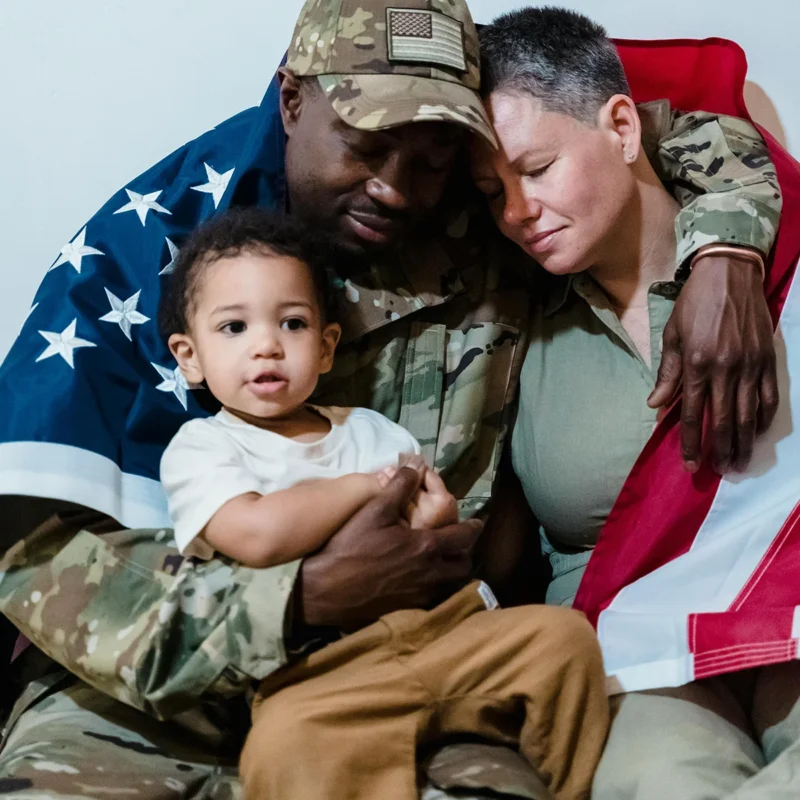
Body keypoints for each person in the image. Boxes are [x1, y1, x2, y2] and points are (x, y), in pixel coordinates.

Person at [0, 0, 783, 796]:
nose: (396, 187)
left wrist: (724, 248)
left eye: (433, 155)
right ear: (293, 98)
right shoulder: (155, 250)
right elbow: (34, 556)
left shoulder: (488, 212)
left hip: (421, 659)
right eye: (367, 143)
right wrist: (294, 601)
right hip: (152, 691)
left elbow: (682, 137)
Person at [158, 206, 607, 800]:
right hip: (318, 671)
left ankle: (568, 787)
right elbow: (257, 534)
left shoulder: (369, 430)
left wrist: (436, 519)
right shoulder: (205, 447)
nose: (266, 346)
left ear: (326, 346)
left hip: (441, 633)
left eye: (292, 324)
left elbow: (427, 527)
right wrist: (368, 489)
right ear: (189, 357)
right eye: (234, 328)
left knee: (563, 640)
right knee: (284, 742)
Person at [472, 7, 800, 799]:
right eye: (491, 191)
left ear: (621, 127)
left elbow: (741, 110)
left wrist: (728, 252)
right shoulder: (502, 328)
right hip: (635, 657)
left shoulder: (773, 248)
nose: (516, 211)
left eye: (538, 167)